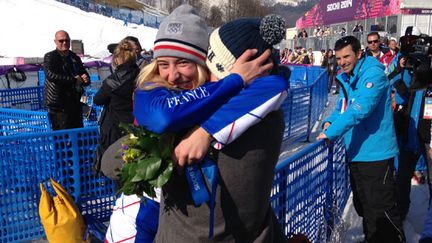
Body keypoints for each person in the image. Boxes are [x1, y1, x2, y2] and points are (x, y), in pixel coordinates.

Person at [107, 5, 289, 243]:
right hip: (142, 213)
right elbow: (112, 159)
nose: (171, 76)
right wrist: (232, 83)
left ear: (205, 64)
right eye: (163, 64)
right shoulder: (155, 91)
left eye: (183, 63)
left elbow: (277, 83)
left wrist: (204, 131)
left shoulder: (258, 118)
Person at [316, 36, 404, 242]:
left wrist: (331, 133)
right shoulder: (347, 77)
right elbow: (342, 108)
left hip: (376, 156)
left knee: (382, 214)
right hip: (356, 155)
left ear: (358, 53)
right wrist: (328, 123)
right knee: (366, 210)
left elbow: (360, 108)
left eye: (346, 56)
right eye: (338, 58)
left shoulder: (373, 74)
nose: (342, 62)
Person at [387, 26, 432, 221]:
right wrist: (400, 70)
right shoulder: (403, 62)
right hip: (410, 127)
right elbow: (396, 88)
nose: (411, 46)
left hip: (428, 131)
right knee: (403, 176)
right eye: (407, 41)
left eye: (415, 42)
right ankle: (400, 215)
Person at [92, 38, 140, 173]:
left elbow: (98, 99)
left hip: (115, 128)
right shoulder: (141, 75)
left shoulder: (113, 81)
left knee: (117, 167)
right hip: (136, 126)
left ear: (118, 59)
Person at [43, 30, 90, 130]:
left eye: (67, 40)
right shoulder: (50, 57)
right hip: (58, 104)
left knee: (78, 133)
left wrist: (85, 79)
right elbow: (51, 75)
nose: (64, 43)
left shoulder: (74, 57)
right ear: (55, 41)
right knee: (62, 136)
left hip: (75, 102)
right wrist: (74, 80)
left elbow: (83, 73)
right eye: (61, 41)